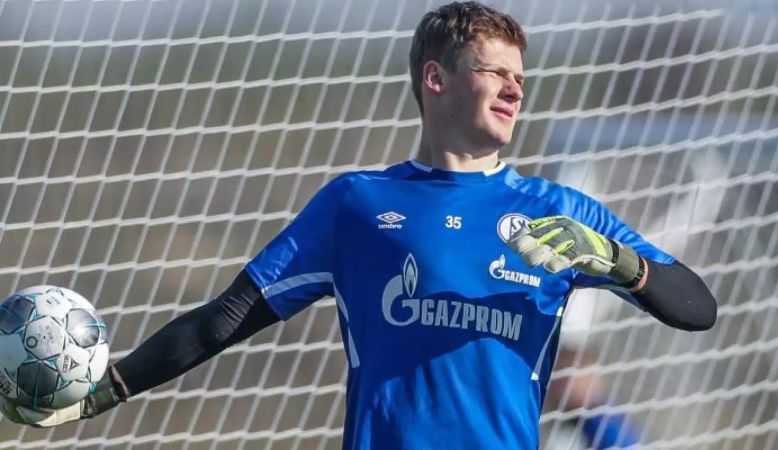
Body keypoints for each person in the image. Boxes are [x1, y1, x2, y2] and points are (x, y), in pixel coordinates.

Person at [1, 2, 717, 449]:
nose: (514, 86)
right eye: (494, 70)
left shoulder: (564, 216)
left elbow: (697, 308)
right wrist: (109, 389)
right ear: (435, 80)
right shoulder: (358, 205)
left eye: (519, 76)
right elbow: (225, 319)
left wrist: (621, 262)